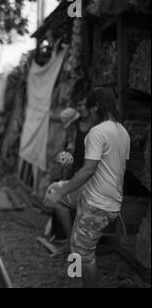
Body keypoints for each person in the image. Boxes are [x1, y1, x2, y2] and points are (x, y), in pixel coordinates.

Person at [45, 87, 130, 287]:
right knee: (79, 247)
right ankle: (74, 278)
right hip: (109, 200)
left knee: (83, 255)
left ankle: (80, 283)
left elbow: (88, 170)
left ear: (96, 107)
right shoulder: (123, 132)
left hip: (97, 203)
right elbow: (111, 169)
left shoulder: (98, 132)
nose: (89, 113)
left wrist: (60, 192)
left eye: (90, 108)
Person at [46, 93, 95, 255]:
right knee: (54, 189)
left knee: (55, 192)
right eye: (79, 105)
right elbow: (70, 151)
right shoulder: (74, 128)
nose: (81, 108)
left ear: (92, 106)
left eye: (84, 104)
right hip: (77, 174)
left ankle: (72, 242)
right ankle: (69, 239)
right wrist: (66, 158)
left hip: (90, 177)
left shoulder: (97, 128)